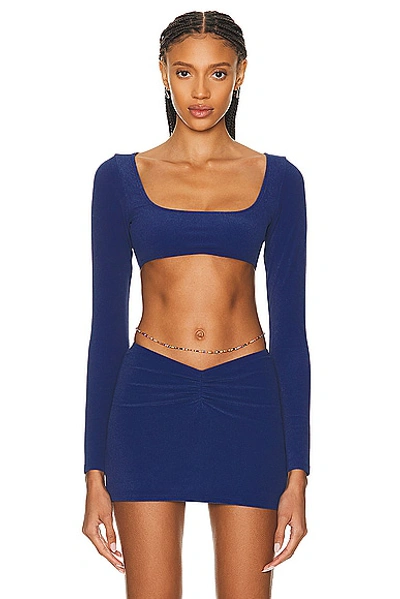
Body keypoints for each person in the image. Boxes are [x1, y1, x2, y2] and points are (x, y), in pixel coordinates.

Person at [82, 10, 311, 599]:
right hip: (148, 397)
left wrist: (299, 472)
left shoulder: (280, 181)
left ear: (241, 74)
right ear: (163, 73)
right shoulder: (120, 179)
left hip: (248, 396)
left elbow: (292, 332)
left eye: (217, 73)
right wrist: (93, 471)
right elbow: (105, 329)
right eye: (185, 72)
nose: (201, 91)